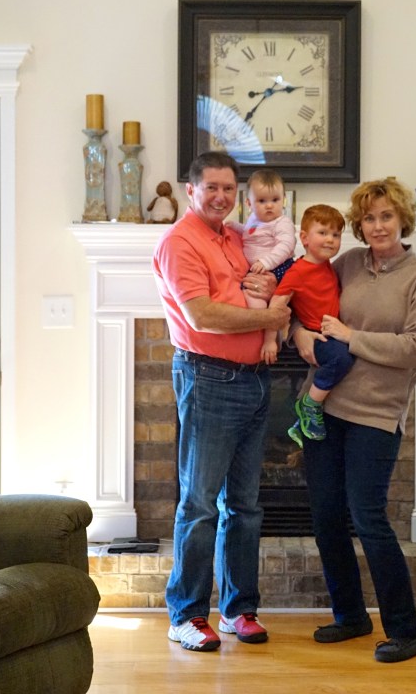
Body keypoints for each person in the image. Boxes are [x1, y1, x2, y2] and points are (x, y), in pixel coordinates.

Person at [292, 177, 416, 664]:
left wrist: (351, 337)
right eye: (369, 218)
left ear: (402, 220)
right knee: (326, 518)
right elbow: (304, 303)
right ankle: (350, 616)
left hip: (376, 415)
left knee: (369, 519)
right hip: (323, 408)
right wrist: (298, 334)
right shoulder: (346, 264)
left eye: (386, 216)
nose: (377, 226)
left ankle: (406, 630)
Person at [151, 151, 292, 653]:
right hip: (208, 377)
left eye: (229, 189)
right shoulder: (180, 242)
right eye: (211, 187)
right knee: (200, 503)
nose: (220, 197)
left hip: (254, 379)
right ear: (191, 190)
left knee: (245, 506)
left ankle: (237, 609)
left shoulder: (234, 236)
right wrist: (271, 319)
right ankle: (186, 615)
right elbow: (203, 316)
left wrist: (270, 285)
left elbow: (260, 280)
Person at [262, 203, 354, 446]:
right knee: (342, 359)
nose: (330, 239)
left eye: (336, 234)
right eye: (323, 233)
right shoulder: (297, 271)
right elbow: (277, 303)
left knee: (347, 357)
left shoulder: (328, 267)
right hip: (316, 335)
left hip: (330, 332)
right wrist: (270, 340)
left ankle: (298, 425)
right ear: (304, 238)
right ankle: (309, 404)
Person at [227, 169, 298, 360]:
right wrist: (237, 228)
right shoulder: (253, 221)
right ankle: (261, 336)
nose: (269, 206)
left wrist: (267, 262)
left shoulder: (282, 222)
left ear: (283, 200)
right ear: (249, 204)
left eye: (275, 200)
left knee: (276, 304)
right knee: (254, 302)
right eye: (262, 201)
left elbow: (286, 245)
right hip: (258, 269)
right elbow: (250, 234)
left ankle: (271, 340)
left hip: (279, 266)